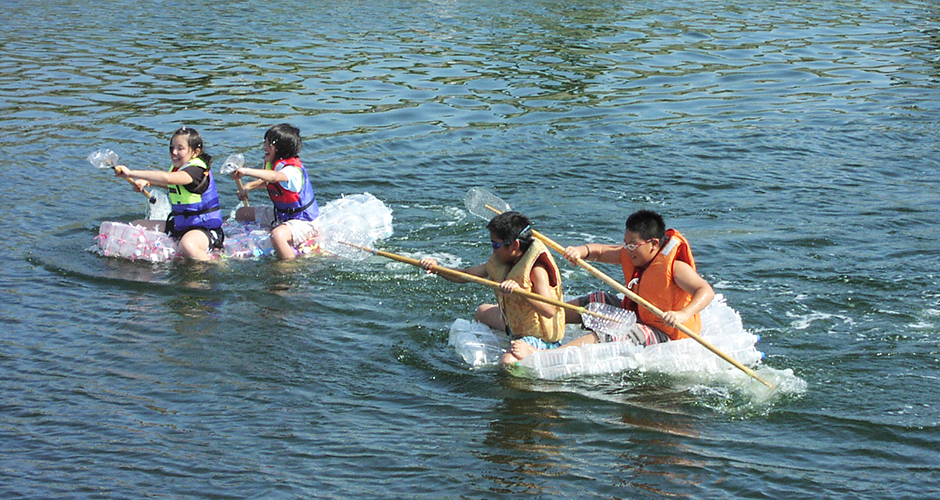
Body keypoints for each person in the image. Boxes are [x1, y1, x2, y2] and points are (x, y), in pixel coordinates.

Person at [529, 210, 714, 357]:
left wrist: (683, 314)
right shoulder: (630, 254)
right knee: (597, 299)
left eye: (633, 245)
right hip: (640, 316)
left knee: (619, 331)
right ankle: (537, 319)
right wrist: (580, 251)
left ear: (654, 244)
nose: (628, 250)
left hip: (666, 333)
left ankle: (546, 355)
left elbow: (705, 290)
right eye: (626, 244)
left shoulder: (676, 267)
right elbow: (600, 252)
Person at [419, 212, 566, 365]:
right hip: (515, 325)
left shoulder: (537, 269)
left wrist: (523, 293)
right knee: (481, 311)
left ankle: (539, 354)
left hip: (539, 336)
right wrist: (437, 268)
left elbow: (550, 310)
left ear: (514, 245)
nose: (493, 250)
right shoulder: (501, 261)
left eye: (496, 245)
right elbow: (465, 275)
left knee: (507, 361)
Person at [114, 127, 224, 262]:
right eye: (171, 148)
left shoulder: (196, 171)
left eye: (180, 148)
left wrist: (131, 173)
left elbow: (167, 178)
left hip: (205, 230)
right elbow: (171, 184)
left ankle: (216, 264)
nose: (174, 152)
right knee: (134, 227)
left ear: (196, 152)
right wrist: (147, 182)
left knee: (187, 245)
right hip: (180, 225)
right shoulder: (179, 169)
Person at [230, 123, 320, 260]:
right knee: (242, 213)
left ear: (281, 149)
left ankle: (288, 266)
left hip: (304, 221)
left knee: (277, 236)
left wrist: (246, 171)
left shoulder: (292, 171)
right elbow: (269, 182)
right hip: (281, 215)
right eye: (264, 143)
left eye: (268, 145)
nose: (264, 147)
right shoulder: (274, 165)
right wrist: (248, 186)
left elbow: (274, 177)